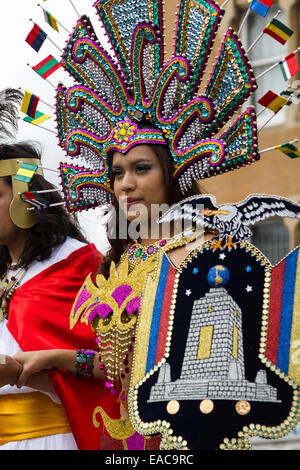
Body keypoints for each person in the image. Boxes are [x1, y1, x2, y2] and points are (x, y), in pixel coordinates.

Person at [8, 0, 300, 451]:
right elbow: (113, 366)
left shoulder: (203, 249)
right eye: (118, 172)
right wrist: (55, 357)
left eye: (141, 168)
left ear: (172, 172)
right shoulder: (115, 263)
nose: (126, 184)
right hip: (124, 434)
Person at [0, 140, 116, 450]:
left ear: (26, 199)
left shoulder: (80, 264)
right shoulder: (4, 274)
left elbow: (117, 366)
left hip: (54, 439)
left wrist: (28, 370)